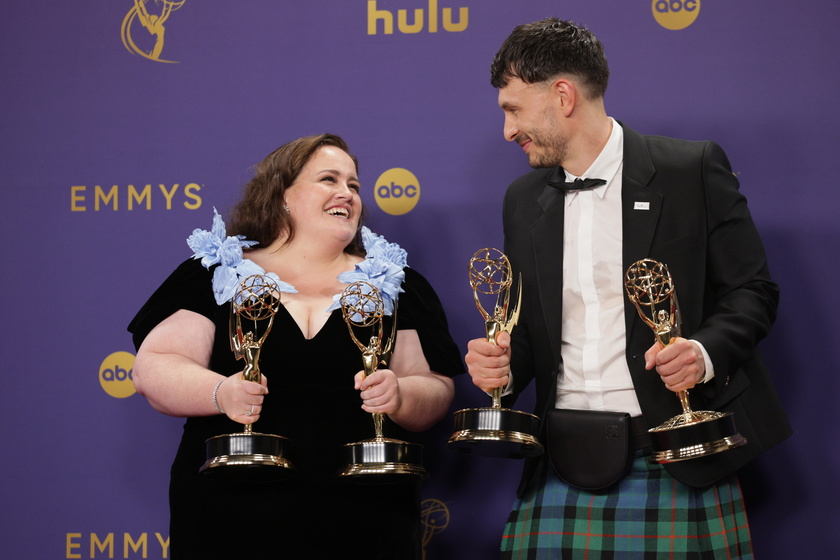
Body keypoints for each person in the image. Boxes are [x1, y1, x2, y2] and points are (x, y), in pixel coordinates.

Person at [464, 18, 791, 558]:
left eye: (513, 109)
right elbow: (529, 333)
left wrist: (704, 353)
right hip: (559, 463)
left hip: (674, 455)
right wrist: (501, 364)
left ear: (562, 96)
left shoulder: (689, 170)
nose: (507, 130)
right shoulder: (522, 200)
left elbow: (753, 291)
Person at [128, 133, 463, 560]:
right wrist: (221, 393)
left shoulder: (397, 283)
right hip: (232, 515)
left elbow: (434, 387)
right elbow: (153, 367)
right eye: (329, 179)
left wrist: (400, 394)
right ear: (282, 195)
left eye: (354, 185)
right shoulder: (213, 271)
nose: (347, 193)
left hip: (367, 516)